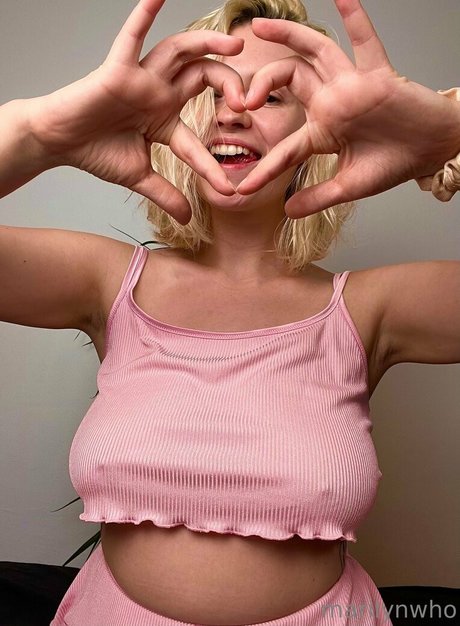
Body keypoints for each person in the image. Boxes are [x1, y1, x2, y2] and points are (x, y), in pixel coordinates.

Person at [0, 0, 459, 624]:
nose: (233, 112)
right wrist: (38, 134)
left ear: (322, 129)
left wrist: (451, 134)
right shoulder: (107, 281)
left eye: (272, 95)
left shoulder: (370, 308)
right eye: (211, 90)